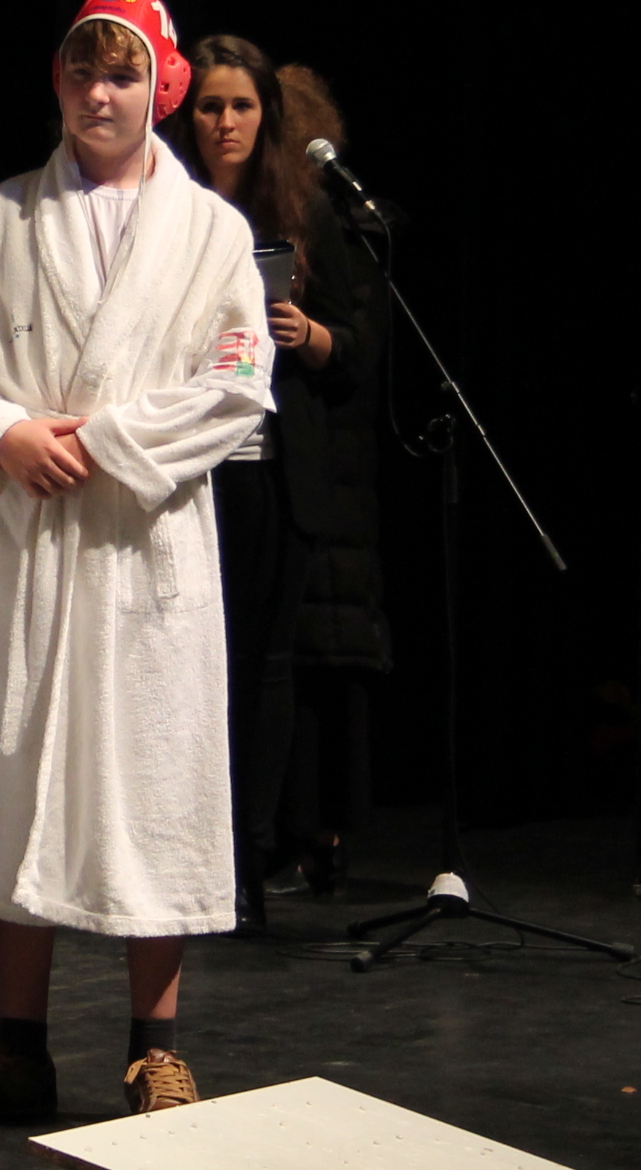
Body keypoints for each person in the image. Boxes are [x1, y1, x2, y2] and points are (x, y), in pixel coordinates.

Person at [0, 0, 271, 1125]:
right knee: (19, 773)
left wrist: (107, 442)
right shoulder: (3, 217)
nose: (98, 93)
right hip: (28, 536)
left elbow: (237, 382)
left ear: (159, 86)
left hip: (140, 545)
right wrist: (5, 435)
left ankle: (154, 1046)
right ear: (57, 82)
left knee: (151, 779)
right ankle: (19, 1045)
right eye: (81, 71)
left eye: (121, 74)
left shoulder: (209, 230)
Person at [173, 34, 386, 933]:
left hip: (272, 472)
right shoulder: (167, 209)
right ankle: (179, 856)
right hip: (183, 469)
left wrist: (310, 335)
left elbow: (360, 349)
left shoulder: (305, 213)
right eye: (210, 106)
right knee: (184, 668)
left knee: (264, 669)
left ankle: (246, 864)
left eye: (241, 106)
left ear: (267, 116)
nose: (225, 122)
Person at [268, 64, 393, 896]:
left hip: (324, 464)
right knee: (290, 657)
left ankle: (320, 834)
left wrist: (306, 333)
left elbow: (357, 347)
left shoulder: (329, 218)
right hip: (274, 455)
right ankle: (286, 833)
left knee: (321, 661)